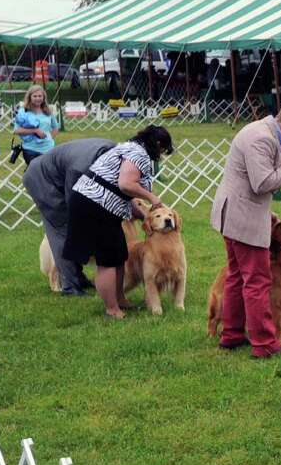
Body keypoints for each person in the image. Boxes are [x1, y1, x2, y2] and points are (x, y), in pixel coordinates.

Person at [210, 100, 281, 356]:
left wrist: (265, 212)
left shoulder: (259, 131)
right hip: (243, 219)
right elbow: (262, 183)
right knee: (257, 281)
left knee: (236, 277)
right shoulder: (262, 138)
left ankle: (233, 335)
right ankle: (266, 344)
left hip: (234, 213)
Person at [64, 125, 173, 319]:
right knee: (107, 260)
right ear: (157, 144)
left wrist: (144, 215)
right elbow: (126, 184)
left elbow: (122, 190)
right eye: (163, 150)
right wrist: (152, 198)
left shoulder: (127, 148)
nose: (162, 155)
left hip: (97, 203)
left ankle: (120, 299)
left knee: (119, 254)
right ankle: (112, 309)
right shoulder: (138, 153)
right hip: (95, 204)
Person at [23, 137, 114, 296]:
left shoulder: (111, 153)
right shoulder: (80, 167)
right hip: (41, 179)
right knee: (63, 230)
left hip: (56, 173)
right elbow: (74, 199)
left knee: (76, 230)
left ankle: (78, 277)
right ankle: (69, 286)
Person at [14, 85, 61, 164]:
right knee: (35, 174)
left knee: (48, 174)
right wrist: (35, 130)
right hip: (30, 150)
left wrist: (49, 138)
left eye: (40, 96)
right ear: (30, 97)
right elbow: (16, 130)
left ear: (43, 97)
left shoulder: (48, 111)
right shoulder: (23, 111)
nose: (38, 98)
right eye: (35, 96)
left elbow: (55, 128)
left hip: (48, 149)